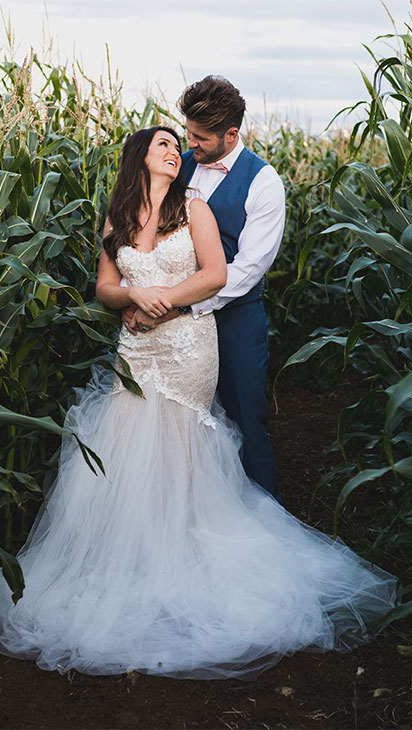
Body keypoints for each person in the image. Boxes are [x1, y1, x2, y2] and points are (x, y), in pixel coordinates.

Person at [0, 127, 396, 679]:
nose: (176, 152)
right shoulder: (118, 219)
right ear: (139, 159)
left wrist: (163, 301)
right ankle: (136, 555)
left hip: (186, 346)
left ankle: (185, 552)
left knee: (179, 441)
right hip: (136, 348)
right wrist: (131, 295)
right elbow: (104, 286)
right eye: (164, 145)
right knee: (128, 442)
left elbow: (216, 274)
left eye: (180, 146)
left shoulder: (193, 208)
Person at [125, 76, 283, 502]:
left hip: (234, 317)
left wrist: (182, 305)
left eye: (199, 137)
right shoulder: (182, 165)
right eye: (186, 133)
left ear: (231, 134)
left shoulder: (264, 183)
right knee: (176, 424)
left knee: (245, 418)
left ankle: (261, 516)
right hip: (167, 321)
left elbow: (248, 268)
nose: (186, 144)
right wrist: (135, 289)